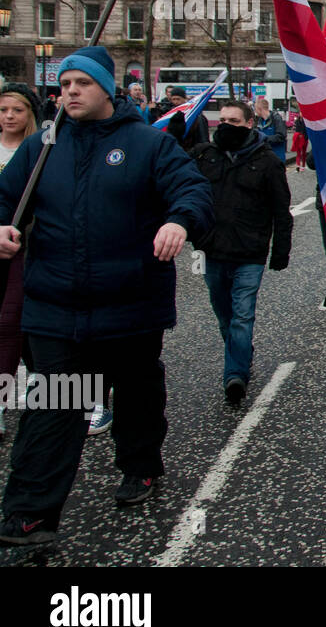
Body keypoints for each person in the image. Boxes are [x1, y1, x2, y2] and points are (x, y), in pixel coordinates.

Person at [0, 47, 212, 545]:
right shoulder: (43, 147)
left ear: (106, 90)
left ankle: (140, 465)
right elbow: (6, 195)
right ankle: (29, 514)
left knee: (137, 392)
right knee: (55, 404)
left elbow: (192, 191)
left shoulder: (147, 143)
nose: (70, 91)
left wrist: (179, 220)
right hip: (56, 306)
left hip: (131, 304)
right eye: (65, 83)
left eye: (82, 83)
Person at [190, 99, 292, 405]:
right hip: (212, 250)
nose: (225, 126)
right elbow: (178, 182)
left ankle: (235, 375)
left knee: (242, 315)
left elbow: (281, 211)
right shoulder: (204, 156)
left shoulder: (268, 162)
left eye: (233, 121)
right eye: (221, 120)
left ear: (249, 124)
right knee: (224, 315)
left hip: (250, 252)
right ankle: (241, 352)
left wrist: (280, 252)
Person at [0, 84, 39, 440]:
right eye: (3, 110)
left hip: (26, 247)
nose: (9, 117)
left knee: (13, 321)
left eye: (17, 110)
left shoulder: (40, 150)